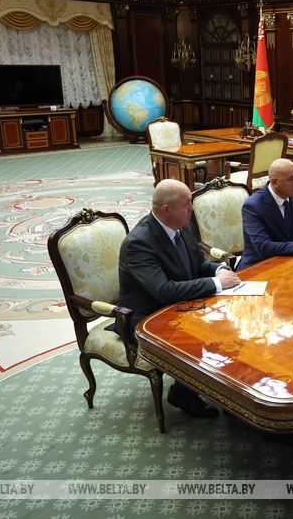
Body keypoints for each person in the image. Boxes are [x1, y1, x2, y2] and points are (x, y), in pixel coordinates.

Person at [118, 179, 241, 418]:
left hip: (179, 305)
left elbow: (198, 265)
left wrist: (219, 270)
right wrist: (217, 284)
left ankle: (225, 387)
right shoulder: (139, 243)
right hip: (149, 316)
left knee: (231, 321)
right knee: (200, 334)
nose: (192, 209)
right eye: (187, 204)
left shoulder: (182, 227)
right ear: (167, 210)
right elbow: (163, 290)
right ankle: (183, 393)